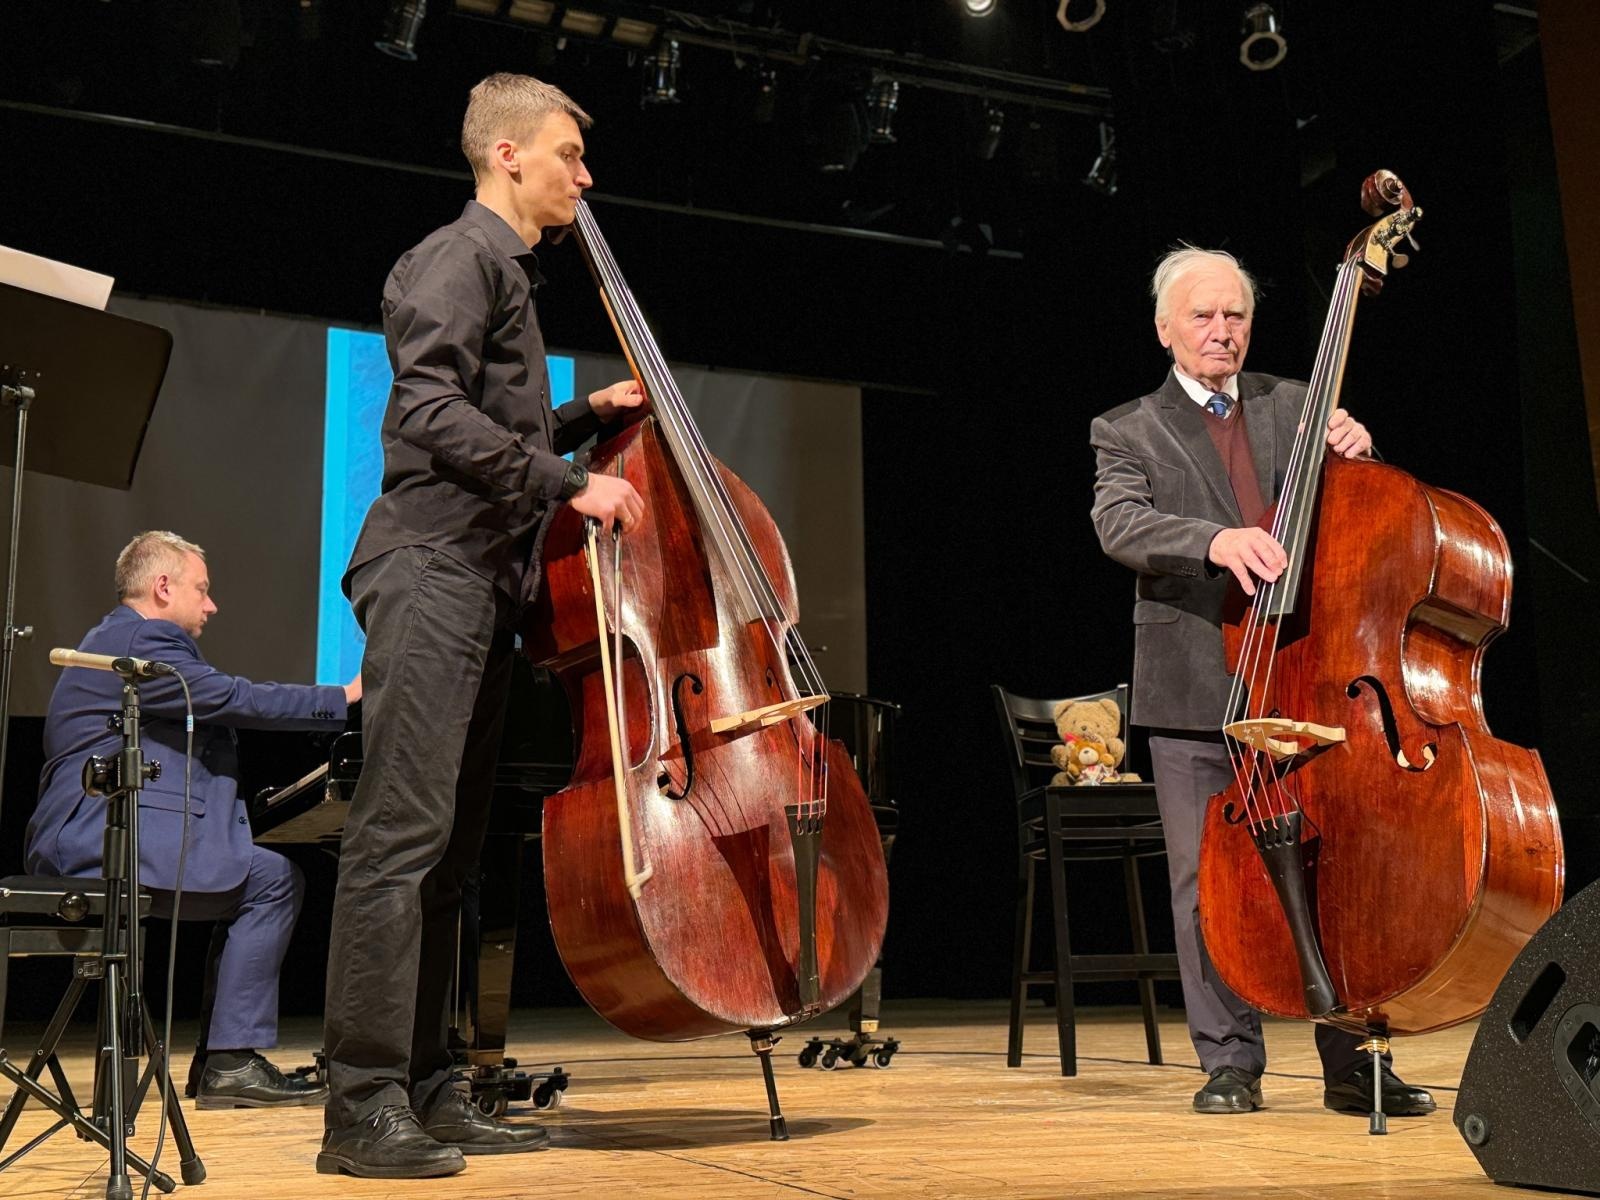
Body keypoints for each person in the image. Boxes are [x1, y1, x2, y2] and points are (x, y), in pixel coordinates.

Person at [317, 73, 645, 1180]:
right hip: (432, 572)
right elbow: (424, 412)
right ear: (507, 155)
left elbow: (479, 418)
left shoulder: (503, 272)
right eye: (566, 154)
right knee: (398, 844)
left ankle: (428, 1089)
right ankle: (360, 1107)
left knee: (449, 858)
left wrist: (575, 418)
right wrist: (568, 480)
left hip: (480, 582)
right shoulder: (456, 257)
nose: (582, 175)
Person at [1090, 246, 1437, 1118]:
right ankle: (1230, 1063)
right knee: (1203, 884)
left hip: (1311, 679)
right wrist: (1215, 540)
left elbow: (1360, 515)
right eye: (1202, 316)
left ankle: (1353, 1062)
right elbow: (1120, 524)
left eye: (1234, 315)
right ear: (1166, 327)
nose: (1220, 330)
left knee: (1337, 873)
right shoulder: (1125, 428)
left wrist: (1359, 451)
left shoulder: (1297, 404)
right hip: (1195, 683)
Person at [25, 530, 357, 1109]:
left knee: (264, 876)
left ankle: (226, 1061)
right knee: (270, 880)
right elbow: (233, 697)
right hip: (100, 839)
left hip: (94, 835)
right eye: (201, 590)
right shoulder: (140, 640)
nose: (211, 605)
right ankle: (229, 1062)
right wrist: (343, 697)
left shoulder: (116, 636)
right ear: (161, 587)